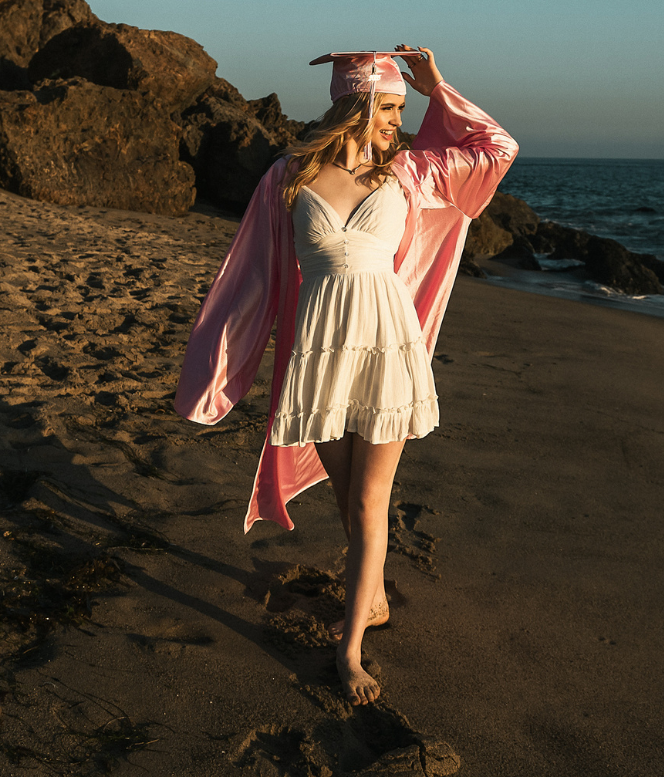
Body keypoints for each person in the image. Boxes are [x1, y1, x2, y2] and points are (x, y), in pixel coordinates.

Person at [174, 46, 517, 705]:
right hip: (322, 352)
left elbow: (497, 147)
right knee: (347, 499)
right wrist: (223, 350)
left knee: (367, 503)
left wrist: (436, 87)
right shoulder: (288, 177)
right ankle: (376, 597)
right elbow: (253, 273)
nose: (397, 120)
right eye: (389, 106)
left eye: (400, 108)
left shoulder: (412, 174)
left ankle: (351, 650)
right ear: (355, 105)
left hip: (388, 348)